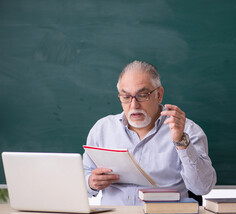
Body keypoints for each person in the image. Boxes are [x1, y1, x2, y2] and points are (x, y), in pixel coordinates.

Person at [83, 60, 216, 206]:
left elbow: (202, 187)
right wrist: (90, 182)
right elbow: (82, 179)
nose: (134, 105)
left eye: (142, 95)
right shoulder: (103, 129)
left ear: (159, 94)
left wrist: (181, 142)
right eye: (126, 97)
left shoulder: (187, 130)